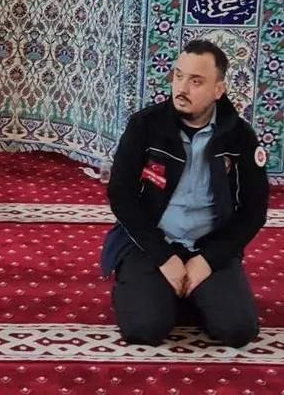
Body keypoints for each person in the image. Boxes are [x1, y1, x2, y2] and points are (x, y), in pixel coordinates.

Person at [99, 39, 269, 348]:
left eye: (196, 81)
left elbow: (253, 211)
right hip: (150, 244)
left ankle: (187, 290)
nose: (182, 88)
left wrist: (208, 260)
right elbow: (120, 194)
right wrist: (164, 257)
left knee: (238, 331)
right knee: (145, 330)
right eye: (178, 76)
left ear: (218, 89)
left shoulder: (240, 137)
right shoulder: (145, 126)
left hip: (207, 246)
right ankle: (152, 288)